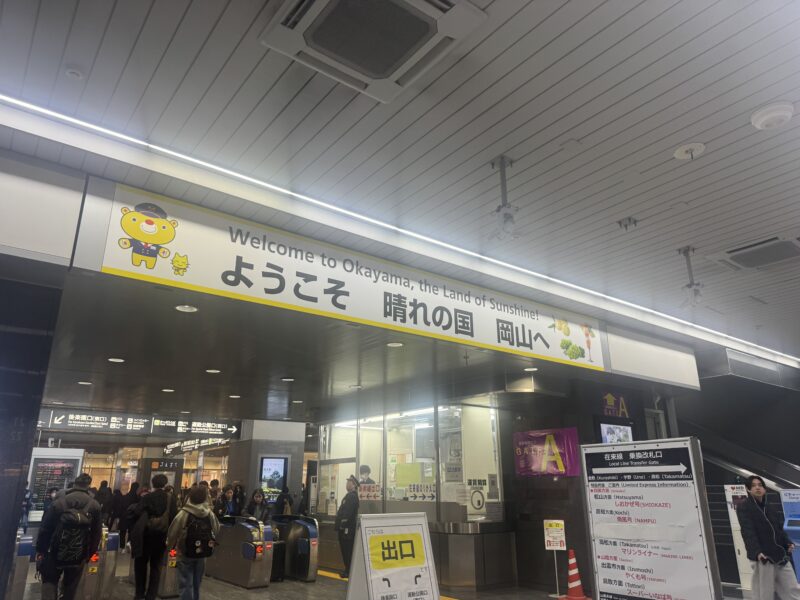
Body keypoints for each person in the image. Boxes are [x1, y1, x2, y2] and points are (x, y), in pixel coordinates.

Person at [35, 473, 102, 600]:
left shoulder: (58, 503)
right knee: (70, 587)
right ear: (88, 486)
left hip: (54, 552)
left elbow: (45, 529)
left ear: (74, 484)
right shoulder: (94, 505)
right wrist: (89, 554)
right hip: (78, 554)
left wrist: (41, 550)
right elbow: (96, 533)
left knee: (49, 583)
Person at [737, 475, 800, 599]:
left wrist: (787, 542)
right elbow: (748, 532)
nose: (757, 488)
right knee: (764, 594)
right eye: (754, 486)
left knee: (792, 588)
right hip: (764, 557)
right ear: (748, 489)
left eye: (760, 485)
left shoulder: (770, 507)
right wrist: (757, 552)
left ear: (765, 489)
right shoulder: (744, 507)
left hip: (780, 554)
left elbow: (779, 529)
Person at [167, 485, 219, 600]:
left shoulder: (184, 513)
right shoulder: (209, 513)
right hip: (203, 552)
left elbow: (173, 532)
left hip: (185, 552)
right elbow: (216, 529)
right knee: (197, 583)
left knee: (186, 583)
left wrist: (170, 546)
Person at [131, 474, 178, 600]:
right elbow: (174, 517)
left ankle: (139, 594)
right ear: (165, 484)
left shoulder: (147, 497)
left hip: (145, 535)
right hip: (161, 536)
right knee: (156, 566)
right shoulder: (170, 499)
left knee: (140, 564)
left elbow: (137, 513)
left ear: (153, 484)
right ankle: (151, 595)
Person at [335, 475, 360, 578]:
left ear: (353, 485)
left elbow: (347, 513)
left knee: (347, 550)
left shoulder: (352, 496)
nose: (347, 484)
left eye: (348, 482)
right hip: (346, 529)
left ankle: (348, 571)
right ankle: (347, 570)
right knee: (346, 550)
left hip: (347, 530)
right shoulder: (350, 495)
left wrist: (342, 525)